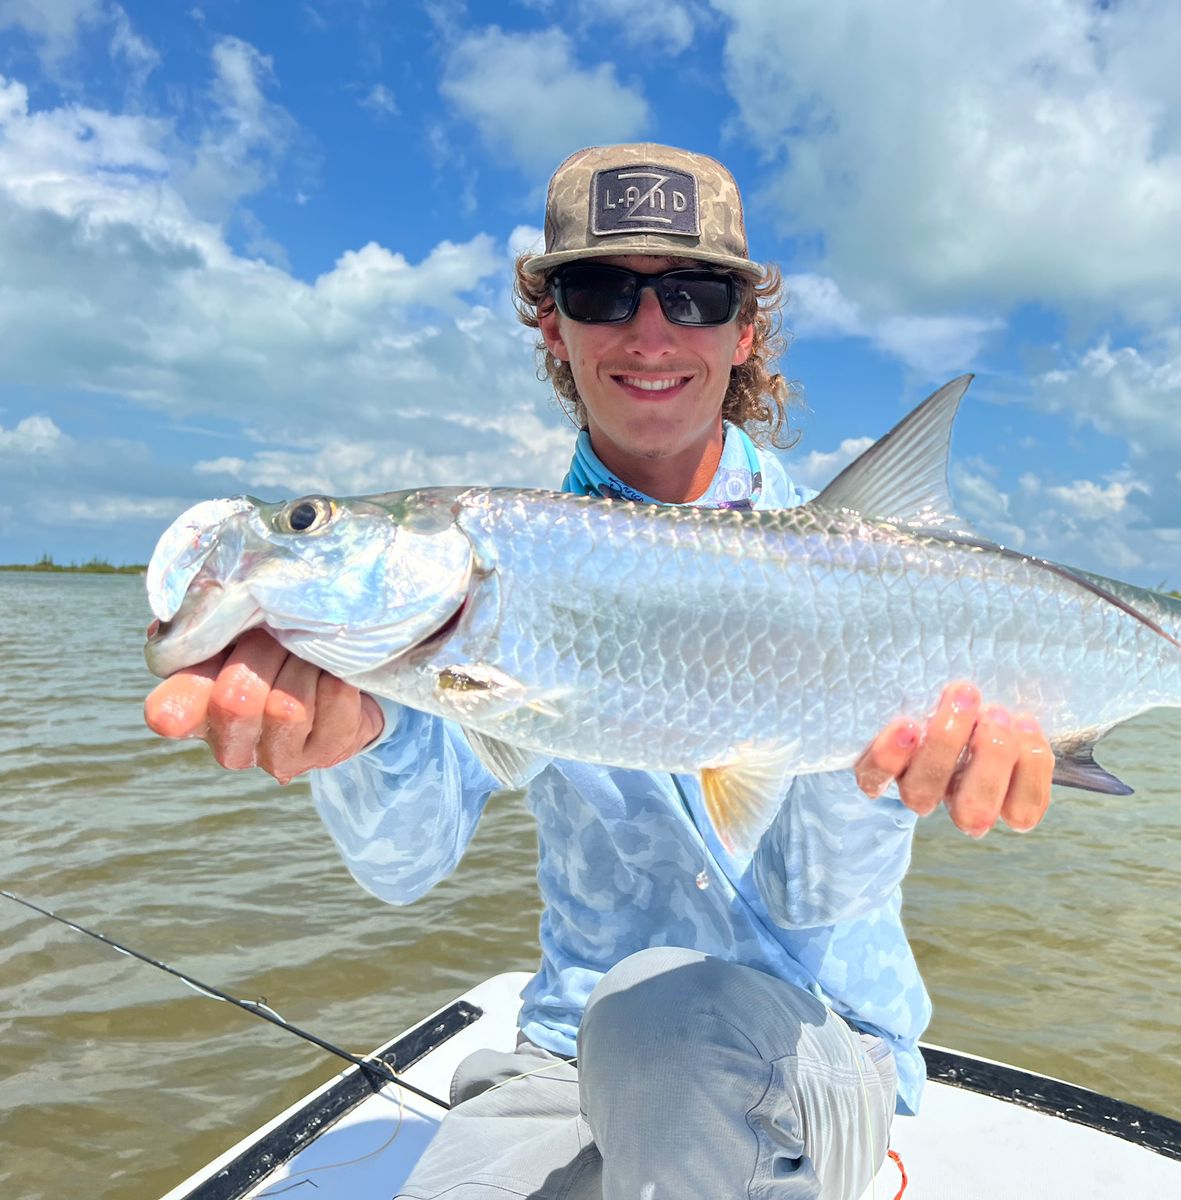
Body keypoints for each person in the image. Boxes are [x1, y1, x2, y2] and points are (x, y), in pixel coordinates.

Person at [144, 143, 1054, 1200]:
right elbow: (403, 867)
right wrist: (355, 740)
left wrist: (893, 775)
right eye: (602, 290)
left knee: (674, 1027)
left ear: (745, 330)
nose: (651, 330)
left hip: (815, 1043)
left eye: (696, 294)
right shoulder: (489, 587)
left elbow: (821, 898)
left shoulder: (858, 555)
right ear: (552, 325)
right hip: (567, 1056)